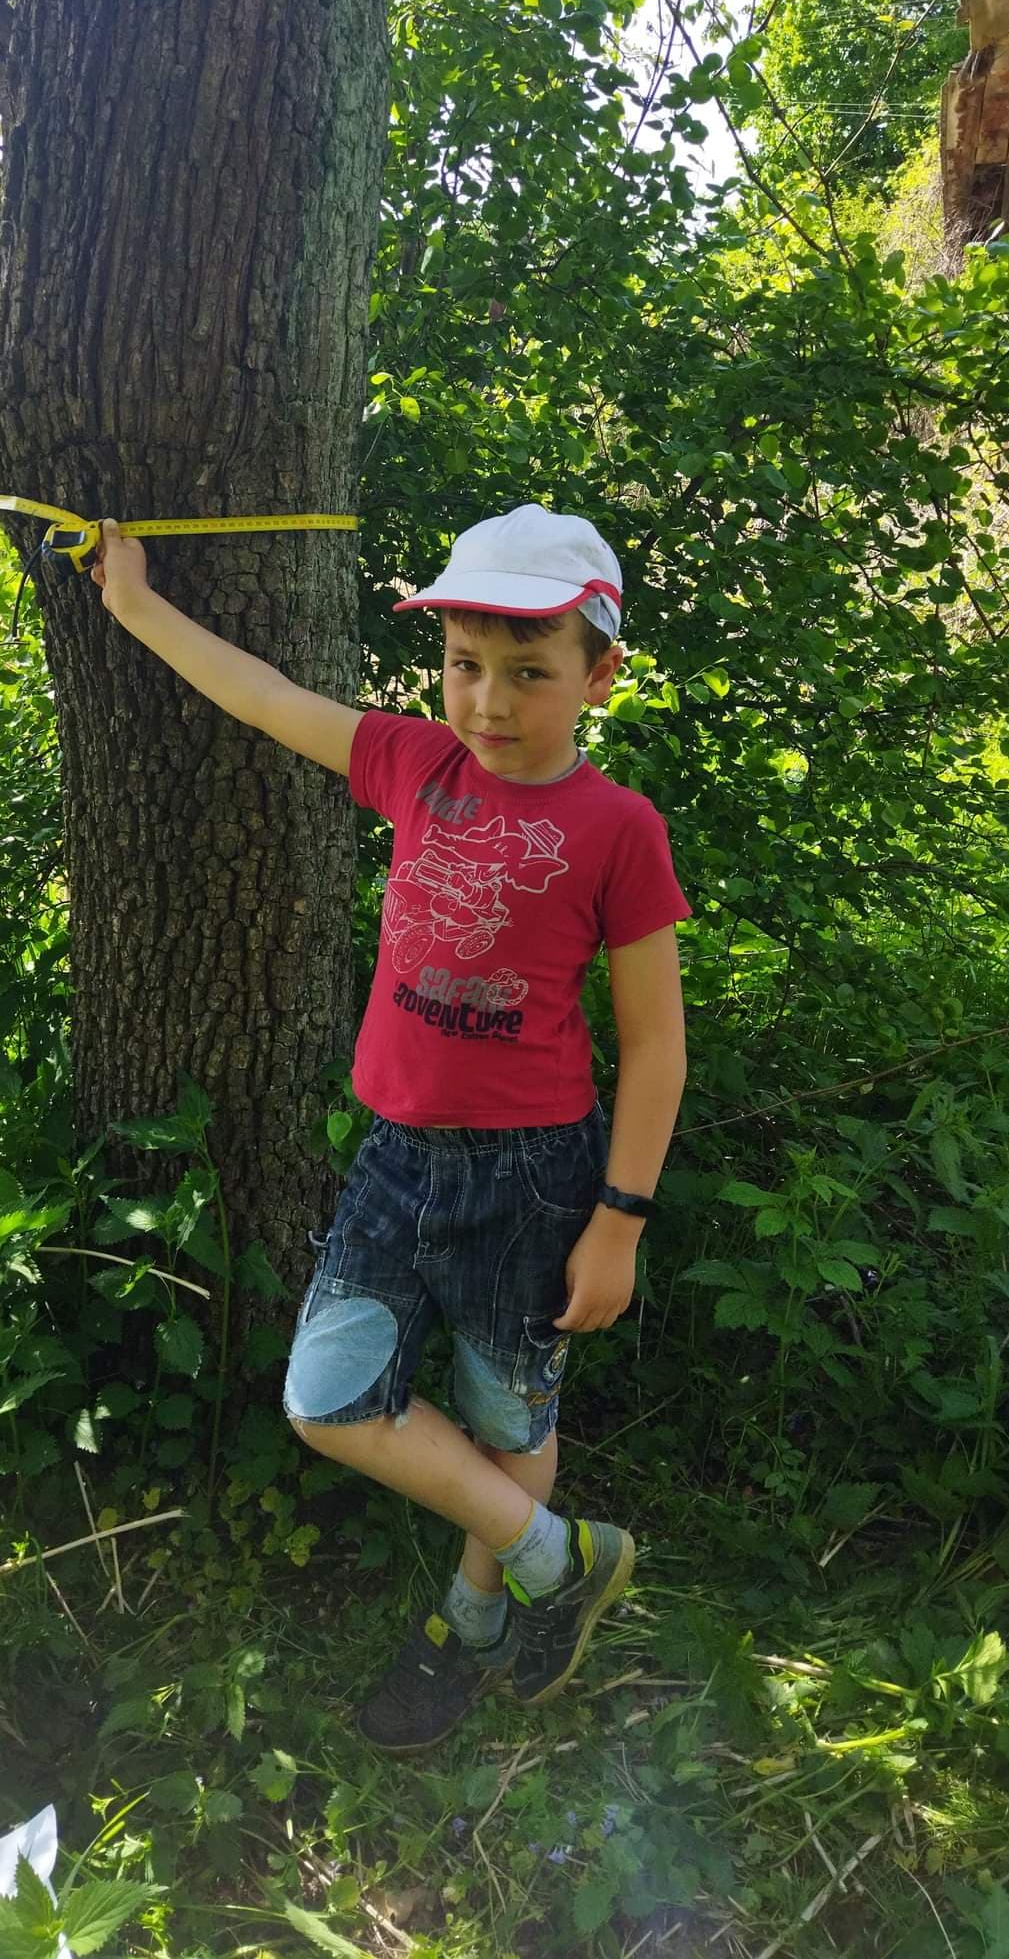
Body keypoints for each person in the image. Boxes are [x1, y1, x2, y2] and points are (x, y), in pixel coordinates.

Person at [92, 501, 691, 1755]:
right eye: (465, 664)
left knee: (510, 1421)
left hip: (535, 1178)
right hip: (396, 1158)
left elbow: (654, 1045)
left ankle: (474, 1622)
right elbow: (264, 697)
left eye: (529, 670)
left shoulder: (619, 828)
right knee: (325, 1396)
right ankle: (558, 1558)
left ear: (599, 674)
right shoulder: (415, 763)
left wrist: (620, 1220)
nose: (489, 700)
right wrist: (136, 604)